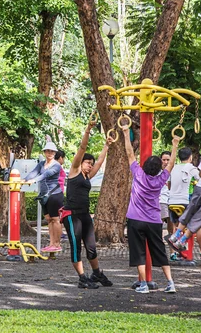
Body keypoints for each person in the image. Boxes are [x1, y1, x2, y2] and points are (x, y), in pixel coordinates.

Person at [122, 122, 180, 294]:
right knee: (160, 251)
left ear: (145, 166)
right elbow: (171, 164)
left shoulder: (138, 174)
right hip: (154, 221)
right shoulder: (160, 179)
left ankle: (143, 285)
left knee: (138, 252)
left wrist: (126, 133)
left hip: (135, 219)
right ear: (157, 169)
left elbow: (129, 153)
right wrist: (175, 144)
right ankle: (170, 283)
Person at [61, 118, 113, 289]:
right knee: (76, 247)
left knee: (91, 247)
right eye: (87, 163)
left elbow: (99, 163)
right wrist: (88, 130)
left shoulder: (87, 176)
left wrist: (107, 145)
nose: (90, 166)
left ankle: (96, 273)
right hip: (71, 215)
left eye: (90, 164)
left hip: (84, 216)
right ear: (80, 162)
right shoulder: (74, 171)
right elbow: (82, 148)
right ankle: (82, 278)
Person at [167, 147, 201, 261]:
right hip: (185, 201)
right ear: (190, 157)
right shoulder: (192, 168)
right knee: (198, 224)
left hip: (172, 202)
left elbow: (169, 184)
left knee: (177, 226)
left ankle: (175, 253)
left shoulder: (173, 168)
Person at [25, 141, 64, 252]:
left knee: (55, 219)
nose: (50, 153)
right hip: (44, 195)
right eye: (47, 151)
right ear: (44, 152)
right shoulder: (42, 164)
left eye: (52, 151)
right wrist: (24, 179)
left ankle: (57, 244)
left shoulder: (56, 165)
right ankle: (51, 243)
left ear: (55, 153)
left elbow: (45, 175)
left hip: (54, 194)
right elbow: (34, 172)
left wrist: (33, 180)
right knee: (48, 219)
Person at [158, 151, 173, 236]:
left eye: (168, 160)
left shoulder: (175, 172)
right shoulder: (157, 173)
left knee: (172, 227)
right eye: (164, 160)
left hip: (173, 201)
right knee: (159, 224)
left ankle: (172, 249)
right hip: (162, 200)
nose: (166, 162)